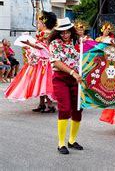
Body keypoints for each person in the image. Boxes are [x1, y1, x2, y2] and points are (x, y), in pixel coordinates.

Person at [5, 11, 57, 113]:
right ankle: (42, 104)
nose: (37, 25)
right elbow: (38, 47)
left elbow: (42, 47)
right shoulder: (44, 33)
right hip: (40, 63)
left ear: (44, 24)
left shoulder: (47, 33)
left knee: (44, 84)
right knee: (39, 84)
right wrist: (29, 46)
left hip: (44, 63)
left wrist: (30, 44)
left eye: (39, 23)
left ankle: (49, 105)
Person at [48, 18, 82, 155]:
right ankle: (61, 142)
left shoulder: (79, 42)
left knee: (78, 109)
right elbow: (56, 62)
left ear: (71, 31)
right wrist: (73, 72)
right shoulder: (54, 43)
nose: (65, 35)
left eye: (67, 32)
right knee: (64, 109)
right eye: (62, 32)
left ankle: (72, 140)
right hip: (61, 78)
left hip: (77, 79)